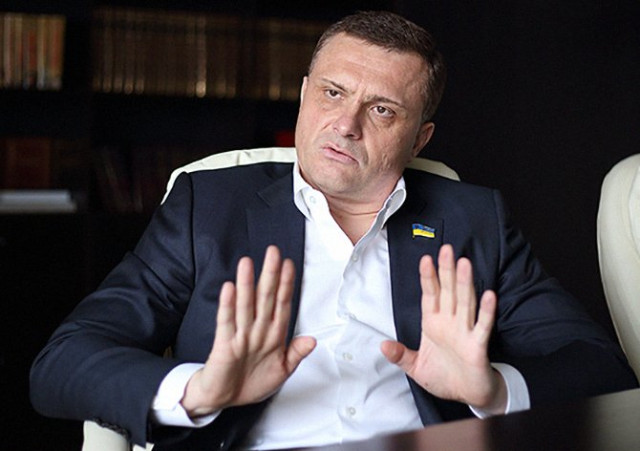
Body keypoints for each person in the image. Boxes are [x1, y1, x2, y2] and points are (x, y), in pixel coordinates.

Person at [31, 10, 637, 450]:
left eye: (382, 109)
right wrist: (201, 390)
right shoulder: (209, 207)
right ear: (303, 96)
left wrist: (492, 390)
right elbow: (63, 364)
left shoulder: (472, 220)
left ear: (420, 138)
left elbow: (602, 370)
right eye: (332, 92)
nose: (346, 124)